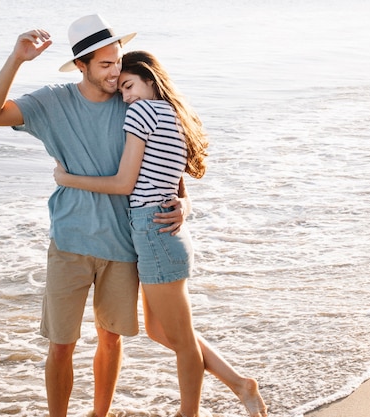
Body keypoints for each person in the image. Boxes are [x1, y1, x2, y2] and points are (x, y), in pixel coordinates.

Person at [0, 15, 187, 417]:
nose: (115, 73)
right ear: (81, 66)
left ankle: (98, 414)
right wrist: (17, 59)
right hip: (70, 242)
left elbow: (166, 160)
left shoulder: (134, 102)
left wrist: (184, 202)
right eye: (105, 65)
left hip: (124, 243)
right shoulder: (53, 102)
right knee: (60, 344)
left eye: (118, 62)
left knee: (111, 340)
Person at [54, 50, 268, 417]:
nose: (126, 96)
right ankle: (239, 383)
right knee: (159, 331)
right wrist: (185, 205)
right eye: (122, 89)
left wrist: (67, 179)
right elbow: (168, 179)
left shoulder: (141, 112)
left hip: (154, 232)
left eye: (130, 84)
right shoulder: (174, 114)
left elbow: (124, 183)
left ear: (150, 80)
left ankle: (190, 413)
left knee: (183, 341)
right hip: (162, 233)